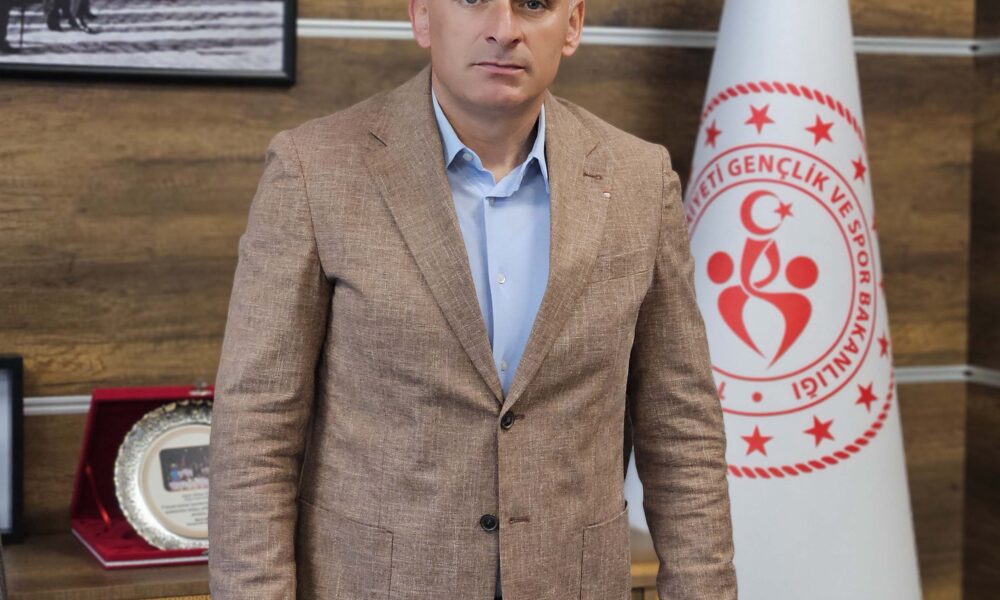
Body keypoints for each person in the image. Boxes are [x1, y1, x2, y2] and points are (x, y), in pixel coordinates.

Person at [207, 0, 737, 598]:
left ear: (572, 25)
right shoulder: (314, 170)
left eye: (533, 4)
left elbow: (681, 424)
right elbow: (256, 426)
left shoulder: (641, 180)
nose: (504, 30)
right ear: (421, 16)